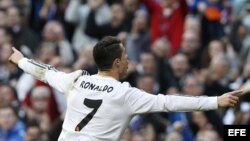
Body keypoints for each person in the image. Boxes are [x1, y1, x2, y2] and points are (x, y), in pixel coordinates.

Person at [8, 36, 242, 141]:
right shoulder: (126, 94)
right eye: (126, 56)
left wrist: (20, 60)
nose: (130, 60)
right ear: (117, 62)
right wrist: (215, 101)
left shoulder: (76, 81)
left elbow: (45, 71)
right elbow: (168, 102)